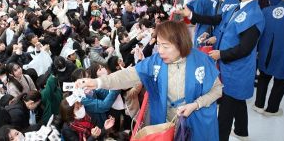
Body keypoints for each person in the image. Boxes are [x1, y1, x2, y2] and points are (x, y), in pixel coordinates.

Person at [75, 21, 223, 141]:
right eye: (158, 45)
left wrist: (196, 104)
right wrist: (97, 83)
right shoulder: (155, 62)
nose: (160, 51)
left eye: (165, 46)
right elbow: (128, 75)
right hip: (166, 121)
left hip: (195, 118)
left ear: (181, 44)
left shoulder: (201, 61)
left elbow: (217, 90)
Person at [181, 0, 266, 141]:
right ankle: (242, 131)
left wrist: (221, 54)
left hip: (237, 71)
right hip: (229, 66)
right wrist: (192, 16)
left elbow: (245, 48)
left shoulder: (255, 15)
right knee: (238, 100)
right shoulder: (237, 7)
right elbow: (219, 22)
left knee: (225, 115)